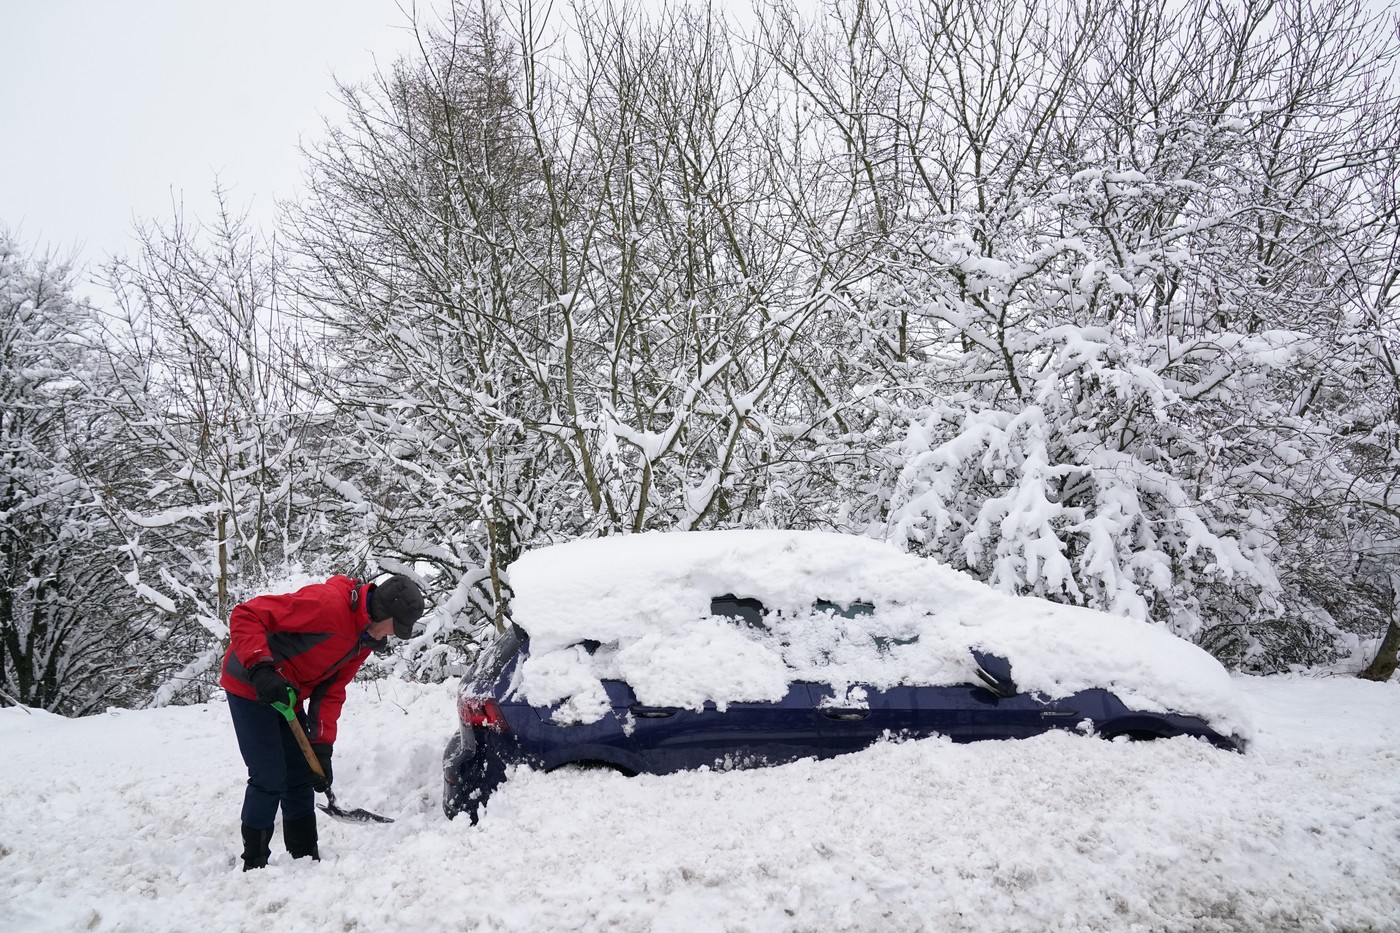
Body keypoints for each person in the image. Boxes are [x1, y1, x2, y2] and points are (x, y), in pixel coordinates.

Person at [220, 573, 425, 870]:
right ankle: (255, 864)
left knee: (301, 774)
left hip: (287, 694)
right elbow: (247, 614)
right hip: (250, 684)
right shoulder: (327, 606)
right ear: (382, 613)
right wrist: (260, 667)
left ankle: (304, 856)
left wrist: (321, 746)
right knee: (269, 775)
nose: (390, 636)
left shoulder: (362, 642)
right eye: (393, 629)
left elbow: (331, 692)